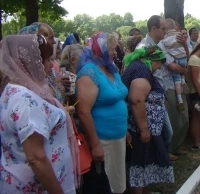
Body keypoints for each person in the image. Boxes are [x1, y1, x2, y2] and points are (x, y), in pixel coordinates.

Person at [0, 34, 79, 193]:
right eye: (48, 60)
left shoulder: (13, 89)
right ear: (32, 63)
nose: (51, 65)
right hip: (38, 187)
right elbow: (36, 158)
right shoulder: (26, 100)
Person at [76, 33, 128, 194]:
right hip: (103, 139)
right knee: (105, 184)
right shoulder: (89, 73)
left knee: (117, 180)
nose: (115, 52)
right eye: (111, 49)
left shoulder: (111, 69)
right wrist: (95, 144)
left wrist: (125, 129)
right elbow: (83, 111)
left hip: (118, 137)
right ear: (99, 50)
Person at [121, 46, 174, 194]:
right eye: (159, 64)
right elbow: (136, 100)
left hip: (140, 127)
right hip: (139, 128)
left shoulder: (139, 67)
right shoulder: (141, 70)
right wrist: (144, 129)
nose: (158, 69)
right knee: (139, 161)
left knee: (143, 161)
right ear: (152, 60)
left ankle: (143, 191)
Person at [137, 15, 188, 161]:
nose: (166, 31)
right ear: (154, 29)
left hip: (160, 93)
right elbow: (144, 76)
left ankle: (163, 154)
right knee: (159, 131)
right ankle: (159, 157)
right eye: (163, 28)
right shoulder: (143, 48)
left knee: (167, 131)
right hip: (150, 97)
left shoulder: (158, 45)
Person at [160, 19, 188, 111]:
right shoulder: (180, 36)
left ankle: (179, 99)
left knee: (177, 79)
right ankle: (183, 81)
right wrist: (185, 71)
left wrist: (185, 44)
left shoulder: (164, 40)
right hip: (183, 60)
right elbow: (173, 66)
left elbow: (173, 66)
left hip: (176, 62)